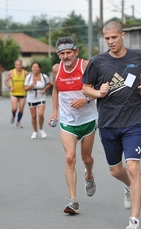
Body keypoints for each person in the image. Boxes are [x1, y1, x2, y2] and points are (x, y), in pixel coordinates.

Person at [82, 21, 141, 229]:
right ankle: (128, 186)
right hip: (108, 123)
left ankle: (134, 222)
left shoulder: (139, 56)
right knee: (116, 171)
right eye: (107, 38)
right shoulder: (97, 62)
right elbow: (85, 88)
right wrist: (99, 93)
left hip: (133, 121)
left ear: (122, 35)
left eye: (114, 37)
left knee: (133, 168)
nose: (111, 41)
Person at [48, 36, 98, 215]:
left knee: (86, 158)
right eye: (62, 53)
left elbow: (101, 91)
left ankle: (89, 174)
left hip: (88, 119)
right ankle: (73, 200)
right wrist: (55, 112)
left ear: (76, 52)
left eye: (69, 52)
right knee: (70, 158)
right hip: (68, 121)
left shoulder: (86, 66)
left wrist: (85, 99)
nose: (65, 56)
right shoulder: (56, 68)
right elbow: (55, 89)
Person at [24, 62, 51, 139]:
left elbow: (49, 84)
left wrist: (45, 89)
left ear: (40, 69)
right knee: (33, 116)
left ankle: (41, 129)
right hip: (31, 97)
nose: (35, 68)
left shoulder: (44, 76)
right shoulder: (28, 77)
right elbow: (25, 88)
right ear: (31, 69)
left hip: (41, 97)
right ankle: (35, 131)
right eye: (33, 67)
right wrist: (31, 86)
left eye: (36, 67)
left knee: (41, 114)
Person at [4, 60, 28, 128]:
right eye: (17, 65)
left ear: (22, 65)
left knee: (21, 109)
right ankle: (13, 114)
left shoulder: (25, 73)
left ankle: (18, 121)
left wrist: (27, 87)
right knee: (14, 108)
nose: (19, 66)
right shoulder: (11, 72)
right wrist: (10, 87)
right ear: (15, 65)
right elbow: (6, 81)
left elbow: (29, 81)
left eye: (20, 65)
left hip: (23, 93)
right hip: (14, 93)